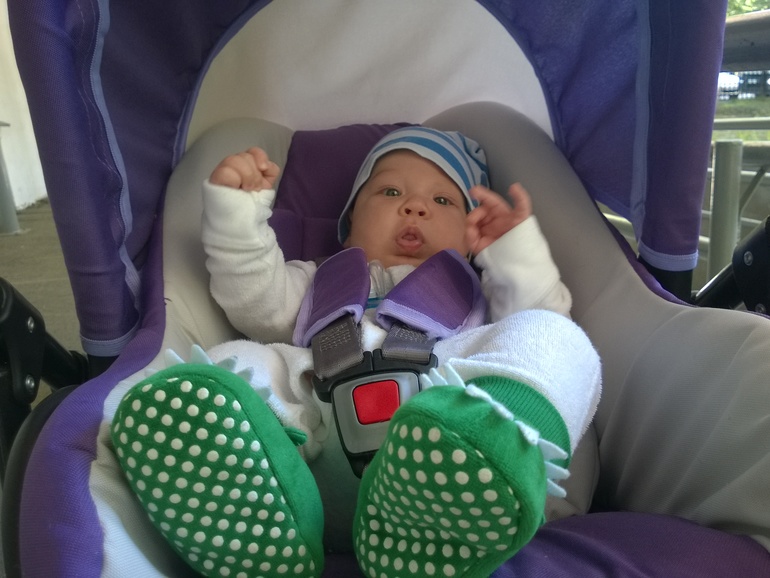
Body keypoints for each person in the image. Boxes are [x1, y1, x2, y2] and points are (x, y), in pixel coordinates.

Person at [111, 127, 601, 578]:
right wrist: (236, 218)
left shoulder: (480, 296)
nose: (415, 207)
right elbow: (252, 298)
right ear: (348, 225)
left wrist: (513, 254)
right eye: (390, 192)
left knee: (554, 338)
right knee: (239, 359)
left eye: (443, 200)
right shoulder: (317, 279)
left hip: (440, 435)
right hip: (308, 453)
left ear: (471, 244)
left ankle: (479, 469)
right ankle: (243, 487)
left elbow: (542, 319)